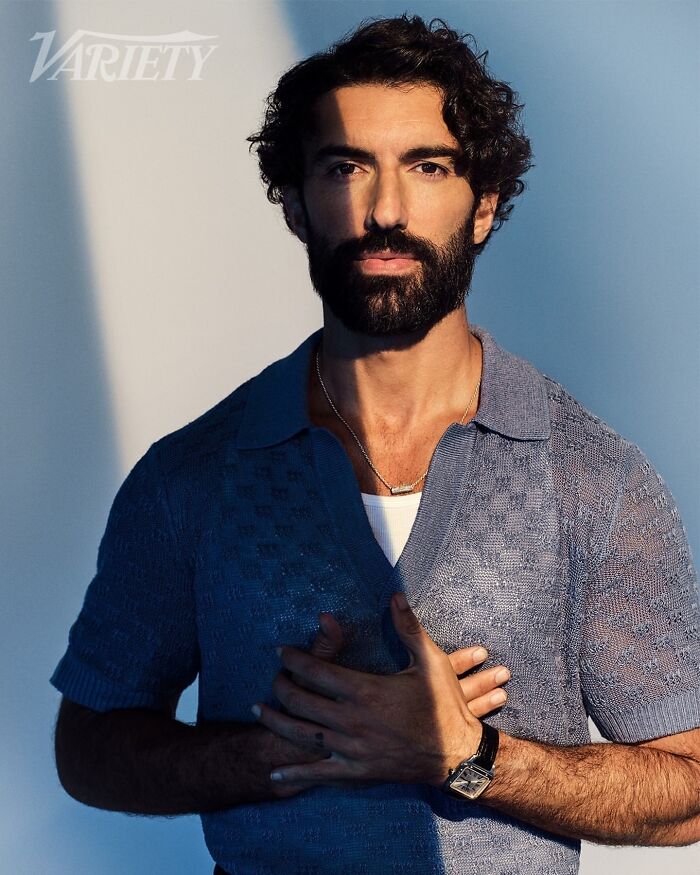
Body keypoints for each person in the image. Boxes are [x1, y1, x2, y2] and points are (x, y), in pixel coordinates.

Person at [51, 15, 700, 875]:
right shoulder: (193, 478)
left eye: (427, 167)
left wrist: (464, 755)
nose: (384, 209)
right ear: (294, 203)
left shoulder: (590, 478)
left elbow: (687, 788)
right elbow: (87, 746)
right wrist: (276, 752)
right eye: (345, 167)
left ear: (485, 206)